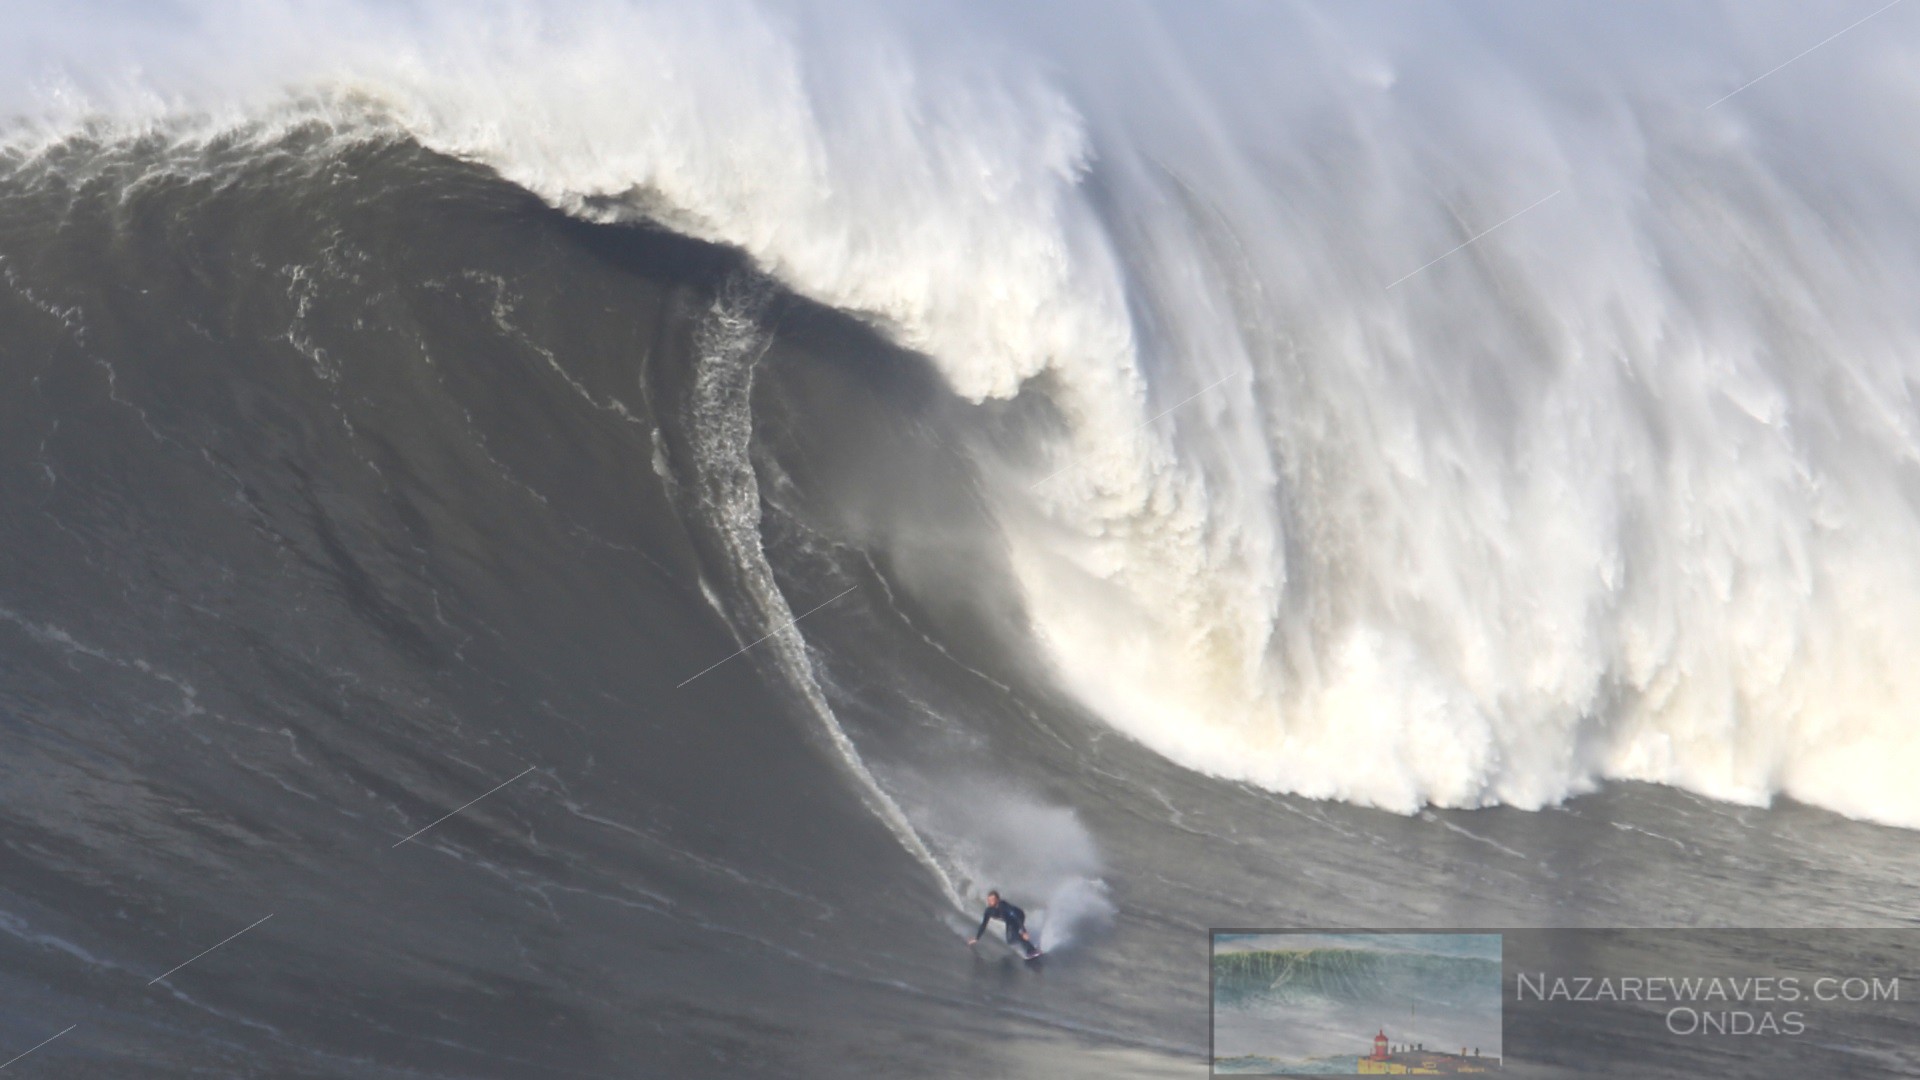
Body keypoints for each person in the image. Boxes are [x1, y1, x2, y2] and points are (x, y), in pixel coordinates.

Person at [967, 889, 1039, 957]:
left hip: (1018, 915)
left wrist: (1024, 931)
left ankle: (1032, 950)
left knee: (1014, 934)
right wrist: (977, 938)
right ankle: (1027, 944)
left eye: (992, 900)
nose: (990, 902)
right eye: (989, 900)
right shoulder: (988, 911)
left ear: (997, 900)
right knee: (1010, 941)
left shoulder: (1003, 905)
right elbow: (983, 924)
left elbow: (1015, 915)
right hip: (1009, 920)